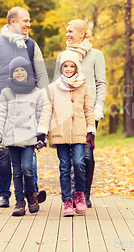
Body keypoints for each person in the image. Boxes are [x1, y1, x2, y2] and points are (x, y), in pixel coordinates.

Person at [0, 7, 49, 208]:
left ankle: (31, 192)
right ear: (12, 22)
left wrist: (45, 102)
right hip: (4, 104)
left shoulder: (32, 46)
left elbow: (42, 75)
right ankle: (4, 193)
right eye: (25, 20)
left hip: (29, 105)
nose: (29, 24)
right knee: (5, 151)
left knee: (29, 146)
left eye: (29, 21)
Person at [54, 19, 106, 208]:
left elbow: (101, 83)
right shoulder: (63, 56)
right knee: (68, 158)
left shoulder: (96, 55)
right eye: (66, 31)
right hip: (67, 113)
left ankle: (84, 193)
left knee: (86, 155)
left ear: (82, 33)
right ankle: (71, 195)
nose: (67, 35)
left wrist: (99, 106)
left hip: (88, 112)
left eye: (70, 31)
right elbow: (56, 84)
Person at [37, 51, 96, 216]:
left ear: (77, 67)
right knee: (64, 167)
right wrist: (42, 131)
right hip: (60, 132)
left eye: (72, 66)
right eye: (65, 66)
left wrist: (90, 131)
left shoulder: (84, 87)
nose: (68, 69)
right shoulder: (53, 87)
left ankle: (79, 195)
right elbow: (46, 110)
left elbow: (89, 110)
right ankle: (67, 201)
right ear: (61, 68)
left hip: (79, 132)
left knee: (79, 163)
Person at [0, 57, 45, 216]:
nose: (19, 72)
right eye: (16, 70)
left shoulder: (37, 93)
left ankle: (31, 195)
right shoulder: (6, 92)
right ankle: (20, 201)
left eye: (22, 69)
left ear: (28, 72)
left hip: (29, 137)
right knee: (16, 171)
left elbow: (40, 115)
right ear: (12, 74)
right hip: (12, 137)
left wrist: (42, 136)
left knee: (27, 168)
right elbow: (1, 114)